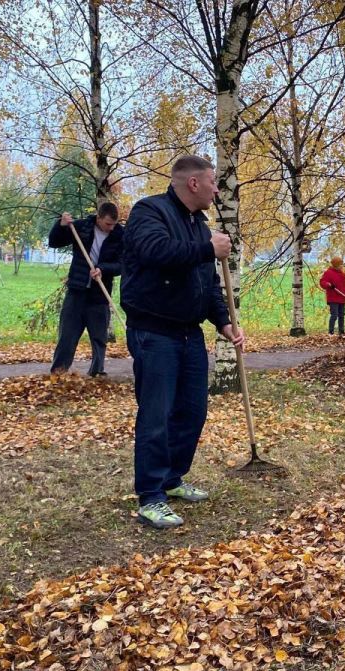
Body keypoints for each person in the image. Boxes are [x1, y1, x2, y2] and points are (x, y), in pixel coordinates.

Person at [120, 155, 244, 529]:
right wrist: (208, 249)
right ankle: (151, 495)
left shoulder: (198, 225)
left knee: (192, 412)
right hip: (154, 332)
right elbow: (155, 252)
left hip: (191, 333)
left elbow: (206, 284)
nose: (216, 190)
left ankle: (172, 479)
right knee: (156, 414)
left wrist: (223, 322)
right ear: (193, 183)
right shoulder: (149, 212)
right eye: (212, 182)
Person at [48, 202, 124, 377]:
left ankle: (97, 373)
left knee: (99, 337)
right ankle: (58, 372)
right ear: (98, 218)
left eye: (114, 224)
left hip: (99, 295)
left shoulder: (120, 235)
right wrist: (60, 225)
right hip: (77, 290)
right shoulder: (81, 227)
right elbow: (54, 242)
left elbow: (123, 264)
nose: (111, 228)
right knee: (67, 335)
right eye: (107, 224)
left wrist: (103, 268)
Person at [319, 256, 345, 336]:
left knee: (342, 315)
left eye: (342, 264)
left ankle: (341, 331)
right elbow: (322, 282)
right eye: (340, 265)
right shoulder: (328, 273)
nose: (341, 266)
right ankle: (331, 332)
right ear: (335, 265)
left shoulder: (342, 275)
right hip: (333, 298)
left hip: (342, 298)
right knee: (334, 315)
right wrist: (328, 284)